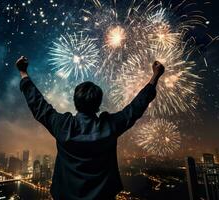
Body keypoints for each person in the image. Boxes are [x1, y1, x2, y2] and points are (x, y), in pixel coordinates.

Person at [16, 56, 164, 200]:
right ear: (98, 104)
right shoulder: (110, 127)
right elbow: (135, 108)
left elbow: (38, 105)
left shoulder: (63, 126)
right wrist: (155, 76)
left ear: (75, 101)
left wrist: (23, 72)